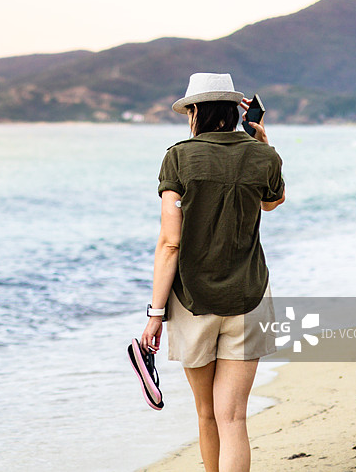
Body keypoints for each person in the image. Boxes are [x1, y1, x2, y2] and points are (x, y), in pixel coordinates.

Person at [140, 73, 285, 472]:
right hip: (249, 296)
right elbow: (273, 201)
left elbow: (170, 243)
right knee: (234, 417)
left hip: (193, 301)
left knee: (207, 414)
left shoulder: (179, 156)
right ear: (235, 111)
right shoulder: (262, 156)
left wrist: (155, 315)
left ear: (196, 112)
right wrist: (263, 147)